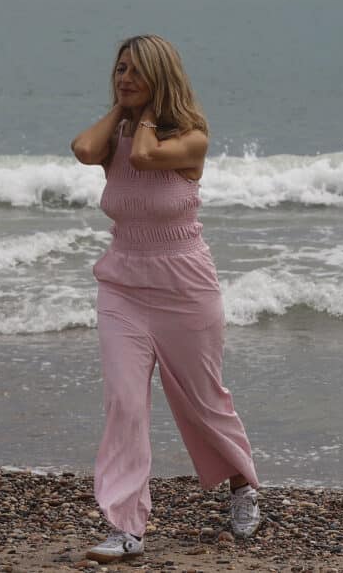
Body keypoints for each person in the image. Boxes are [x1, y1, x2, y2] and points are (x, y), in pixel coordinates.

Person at [70, 35, 261, 563]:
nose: (124, 77)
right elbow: (85, 150)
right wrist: (123, 112)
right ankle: (125, 526)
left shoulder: (192, 138)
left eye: (136, 72)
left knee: (203, 401)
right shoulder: (114, 135)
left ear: (162, 78)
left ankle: (242, 484)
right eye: (119, 69)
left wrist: (147, 116)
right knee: (124, 403)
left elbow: (150, 155)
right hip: (122, 286)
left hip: (184, 288)